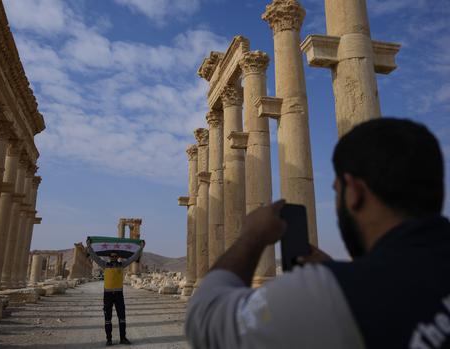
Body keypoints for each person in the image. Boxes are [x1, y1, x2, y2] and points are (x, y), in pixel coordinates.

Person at [185, 118, 450, 348]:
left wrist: (251, 236)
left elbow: (205, 321)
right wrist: (339, 271)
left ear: (354, 192)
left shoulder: (331, 298)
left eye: (336, 191)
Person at [87, 241, 145, 346]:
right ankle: (109, 339)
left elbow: (132, 258)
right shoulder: (105, 265)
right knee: (108, 318)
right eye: (111, 256)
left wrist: (140, 248)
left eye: (115, 256)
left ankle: (123, 338)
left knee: (122, 317)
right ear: (109, 257)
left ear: (118, 257)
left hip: (119, 295)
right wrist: (89, 247)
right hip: (108, 295)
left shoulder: (122, 265)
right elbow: (95, 257)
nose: (113, 257)